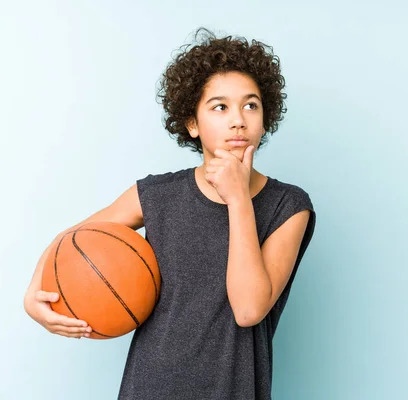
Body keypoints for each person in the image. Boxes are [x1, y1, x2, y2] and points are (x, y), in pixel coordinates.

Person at [23, 27, 317, 399]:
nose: (238, 119)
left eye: (250, 105)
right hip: (149, 387)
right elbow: (71, 241)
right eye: (220, 107)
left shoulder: (288, 206)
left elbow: (248, 310)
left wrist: (238, 198)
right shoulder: (157, 195)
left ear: (264, 117)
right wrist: (34, 292)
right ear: (192, 124)